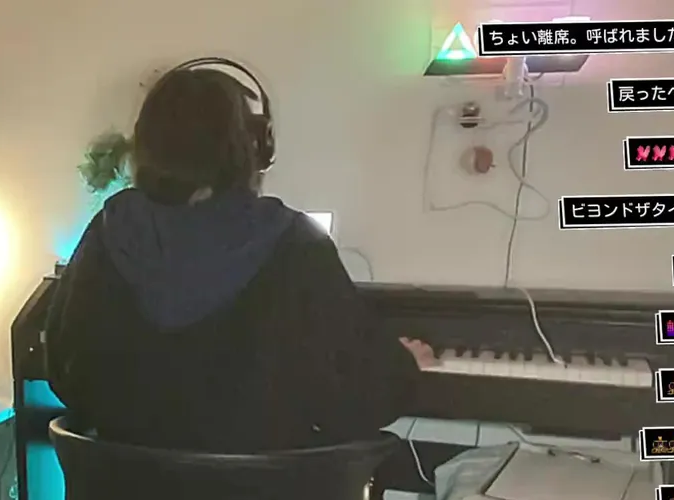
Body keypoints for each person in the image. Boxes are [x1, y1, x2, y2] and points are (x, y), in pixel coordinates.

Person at [46, 64, 434, 452]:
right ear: (249, 147)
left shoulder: (108, 230)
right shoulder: (295, 243)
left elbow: (66, 374)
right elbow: (354, 399)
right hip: (263, 491)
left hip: (123, 490)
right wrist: (402, 366)